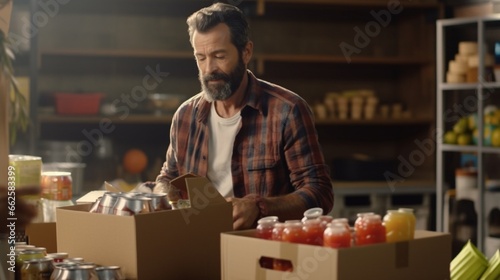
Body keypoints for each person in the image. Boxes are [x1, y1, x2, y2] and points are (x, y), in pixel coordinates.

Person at [154, 2, 334, 230]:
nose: (209, 69)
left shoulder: (287, 111)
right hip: (198, 244)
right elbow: (168, 178)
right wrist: (162, 195)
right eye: (201, 58)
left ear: (246, 52)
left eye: (219, 56)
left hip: (263, 247)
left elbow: (319, 193)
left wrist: (259, 208)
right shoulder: (185, 116)